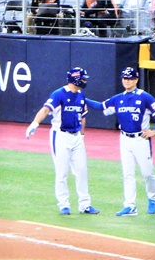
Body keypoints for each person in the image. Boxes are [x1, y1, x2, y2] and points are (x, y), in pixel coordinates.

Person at [24, 67, 104, 215]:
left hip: (76, 137)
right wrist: (34, 124)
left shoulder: (81, 94)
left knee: (81, 171)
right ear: (75, 78)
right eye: (83, 78)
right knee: (62, 172)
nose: (85, 81)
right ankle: (64, 204)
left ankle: (85, 204)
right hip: (60, 136)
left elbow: (83, 116)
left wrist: (82, 134)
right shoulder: (59, 94)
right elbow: (46, 110)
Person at [100, 67, 155, 216]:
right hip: (124, 138)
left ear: (136, 80)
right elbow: (101, 106)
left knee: (147, 173)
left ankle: (152, 199)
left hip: (141, 139)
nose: (127, 81)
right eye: (124, 78)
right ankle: (130, 206)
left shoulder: (145, 97)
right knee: (127, 173)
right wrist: (82, 98)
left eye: (130, 78)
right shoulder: (118, 98)